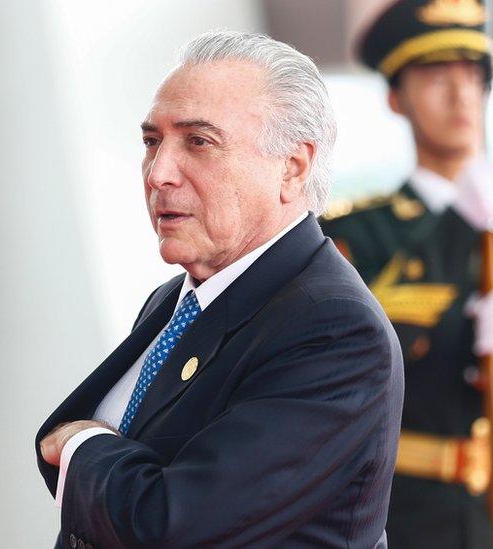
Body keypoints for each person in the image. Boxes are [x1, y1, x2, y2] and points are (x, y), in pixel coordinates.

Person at [35, 31, 404, 548]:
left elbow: (173, 526)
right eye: (151, 141)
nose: (159, 172)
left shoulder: (334, 326)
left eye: (199, 142)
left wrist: (84, 445)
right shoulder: (178, 297)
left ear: (292, 169)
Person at [320, 1, 493, 547]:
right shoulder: (350, 237)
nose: (461, 95)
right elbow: (341, 385)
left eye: (474, 76)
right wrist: (460, 227)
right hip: (404, 518)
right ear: (396, 98)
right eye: (437, 76)